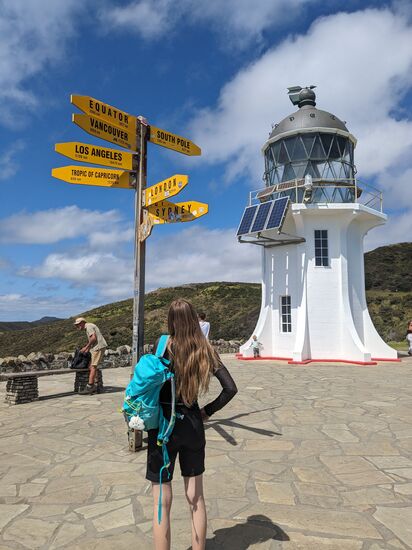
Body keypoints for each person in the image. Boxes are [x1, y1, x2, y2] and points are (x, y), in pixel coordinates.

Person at [147, 299, 237, 550]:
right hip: (193, 426)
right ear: (195, 319)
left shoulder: (163, 344)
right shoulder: (205, 349)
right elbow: (230, 389)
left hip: (163, 426)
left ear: (171, 320)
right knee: (196, 498)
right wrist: (206, 412)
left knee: (161, 503)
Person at [74, 317, 107, 394]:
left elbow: (93, 338)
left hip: (98, 347)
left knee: (93, 366)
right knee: (91, 366)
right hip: (97, 347)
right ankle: (95, 385)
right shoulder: (89, 326)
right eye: (76, 325)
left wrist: (86, 347)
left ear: (82, 322)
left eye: (78, 324)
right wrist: (88, 348)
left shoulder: (88, 326)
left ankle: (90, 386)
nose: (77, 326)